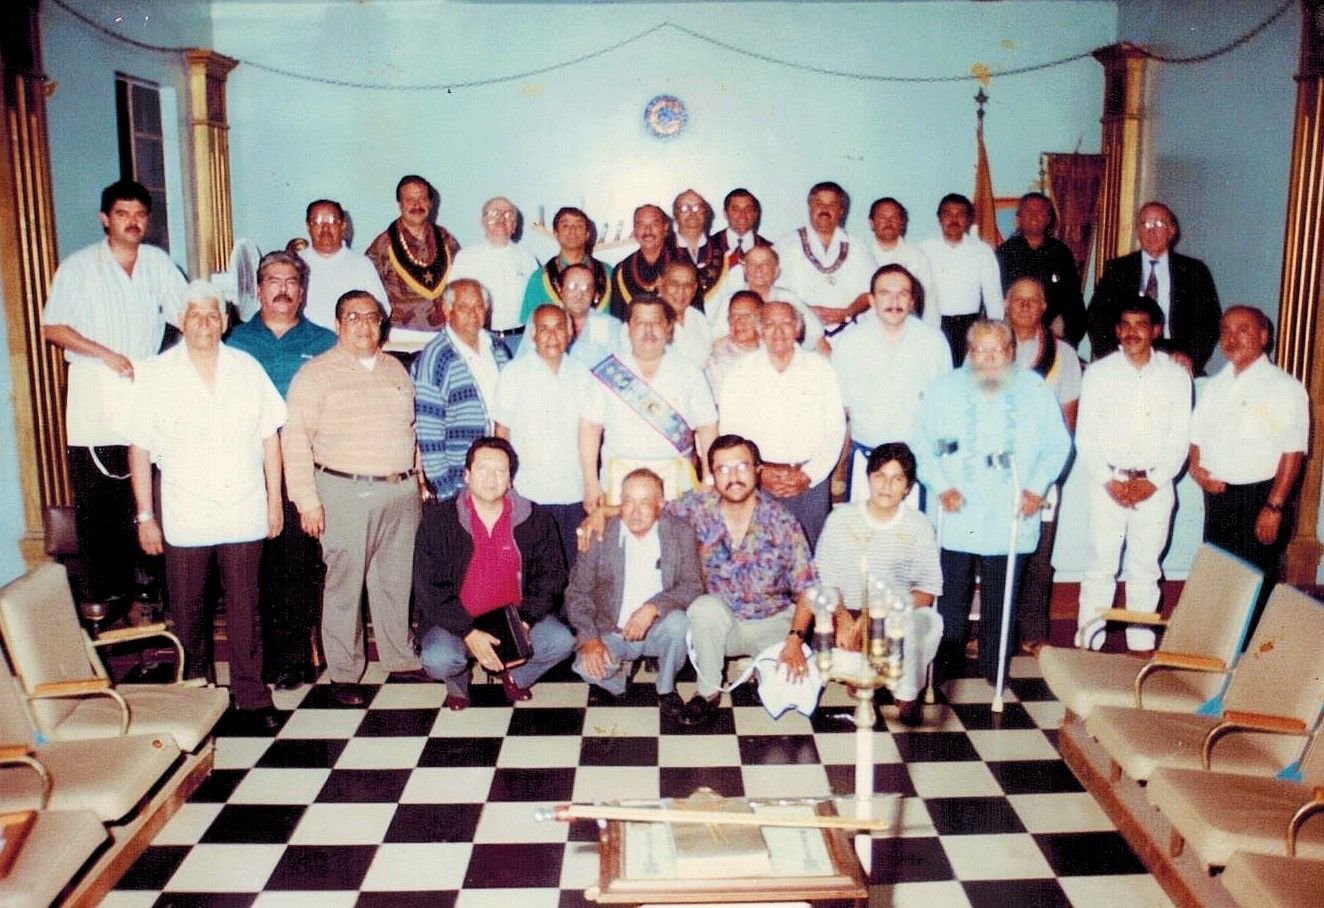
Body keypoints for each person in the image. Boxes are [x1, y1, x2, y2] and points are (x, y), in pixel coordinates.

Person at [121, 281, 285, 730]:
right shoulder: (157, 374)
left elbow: (270, 439)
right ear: (181, 321)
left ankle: (252, 696)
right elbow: (139, 449)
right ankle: (196, 696)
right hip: (185, 511)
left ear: (225, 321)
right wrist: (145, 516)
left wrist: (274, 503)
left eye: (212, 315)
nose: (204, 323)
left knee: (246, 609)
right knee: (188, 611)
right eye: (195, 314)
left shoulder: (247, 368)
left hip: (244, 506)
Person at [580, 434, 820, 729]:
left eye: (742, 467)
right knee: (703, 607)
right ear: (712, 475)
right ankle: (708, 693)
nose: (733, 477)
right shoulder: (697, 508)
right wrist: (604, 512)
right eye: (723, 469)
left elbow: (808, 588)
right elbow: (648, 506)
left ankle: (759, 667)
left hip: (772, 625)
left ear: (758, 470)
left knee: (794, 696)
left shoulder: (783, 522)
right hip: (719, 627)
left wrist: (795, 640)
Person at [41, 179, 185, 606]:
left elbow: (185, 313)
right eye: (123, 214)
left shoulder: (158, 263)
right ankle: (107, 609)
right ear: (105, 219)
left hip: (143, 390)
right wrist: (105, 354)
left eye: (140, 215)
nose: (133, 222)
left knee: (145, 502)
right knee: (100, 507)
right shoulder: (79, 267)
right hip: (95, 398)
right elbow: (53, 327)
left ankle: (151, 608)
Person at [283, 290, 428, 706]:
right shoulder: (315, 374)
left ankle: (399, 658)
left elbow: (411, 430)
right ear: (338, 324)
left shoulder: (396, 369)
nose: (364, 325)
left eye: (371, 317)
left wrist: (418, 478)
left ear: (382, 323)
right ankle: (345, 671)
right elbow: (295, 440)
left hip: (400, 490)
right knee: (344, 585)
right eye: (353, 317)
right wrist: (307, 501)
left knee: (395, 580)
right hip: (344, 491)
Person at [912, 320, 1070, 686]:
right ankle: (943, 671)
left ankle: (994, 671)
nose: (988, 359)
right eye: (980, 351)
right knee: (951, 596)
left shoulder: (1035, 390)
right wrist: (941, 486)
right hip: (956, 507)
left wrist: (1036, 489)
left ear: (1011, 352)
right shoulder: (944, 389)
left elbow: (1058, 445)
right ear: (969, 353)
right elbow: (921, 443)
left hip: (1009, 508)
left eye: (997, 350)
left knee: (1001, 597)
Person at [227, 250, 336, 690]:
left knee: (294, 566)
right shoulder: (234, 340)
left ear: (302, 291)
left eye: (291, 281)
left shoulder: (324, 341)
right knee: (250, 571)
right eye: (274, 280)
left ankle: (292, 659)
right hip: (243, 468)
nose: (283, 289)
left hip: (300, 469)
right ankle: (255, 660)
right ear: (258, 289)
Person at [413, 437, 573, 710]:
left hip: (515, 617)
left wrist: (524, 622)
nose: (491, 478)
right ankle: (458, 681)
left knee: (561, 641)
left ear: (510, 480)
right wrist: (468, 631)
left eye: (500, 471)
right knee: (439, 659)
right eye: (483, 469)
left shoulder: (536, 519)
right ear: (467, 475)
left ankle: (516, 677)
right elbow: (429, 589)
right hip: (458, 619)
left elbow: (551, 578)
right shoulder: (439, 521)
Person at [1074, 297, 1190, 652]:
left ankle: (1140, 645)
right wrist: (1109, 480)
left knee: (1145, 567)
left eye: (1141, 325)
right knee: (1100, 566)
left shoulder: (1175, 376)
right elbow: (1086, 436)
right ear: (1117, 330)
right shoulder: (1098, 373)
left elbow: (1179, 438)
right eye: (1125, 325)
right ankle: (1089, 642)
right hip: (1107, 483)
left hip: (1156, 485)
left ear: (1156, 330)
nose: (1132, 332)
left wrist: (1151, 482)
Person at [1189, 306, 1308, 638]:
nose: (1232, 337)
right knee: (1220, 579)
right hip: (1218, 498)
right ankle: (1219, 656)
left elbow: (1292, 452)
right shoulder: (1215, 385)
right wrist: (1197, 470)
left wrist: (1274, 507)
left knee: (1255, 585)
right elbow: (1195, 438)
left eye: (1243, 329)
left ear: (1263, 336)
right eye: (1226, 330)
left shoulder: (1284, 388)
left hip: (1260, 499)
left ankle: (1251, 658)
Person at [815, 443, 943, 727]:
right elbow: (824, 577)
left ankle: (906, 696)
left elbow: (927, 591)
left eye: (896, 479)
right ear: (869, 478)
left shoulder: (918, 525)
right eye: (880, 476)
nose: (886, 486)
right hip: (847, 615)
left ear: (907, 487)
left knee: (929, 621)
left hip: (893, 616)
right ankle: (862, 679)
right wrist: (841, 617)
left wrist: (879, 614)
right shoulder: (841, 519)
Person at [564, 468, 699, 712]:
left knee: (680, 624)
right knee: (587, 668)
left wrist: (652, 608)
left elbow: (693, 585)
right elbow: (577, 593)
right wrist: (590, 638)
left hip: (657, 629)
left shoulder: (680, 532)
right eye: (628, 501)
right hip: (611, 630)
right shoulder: (598, 534)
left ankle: (666, 687)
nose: (635, 512)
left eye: (645, 502)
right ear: (619, 504)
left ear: (660, 505)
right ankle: (620, 679)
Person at [717, 301, 845, 548]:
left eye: (786, 323)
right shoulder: (740, 372)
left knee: (808, 558)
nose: (778, 331)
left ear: (797, 328)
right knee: (760, 557)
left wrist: (809, 475)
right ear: (759, 330)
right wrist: (759, 473)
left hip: (809, 483)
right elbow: (730, 432)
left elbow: (835, 429)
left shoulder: (820, 369)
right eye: (769, 324)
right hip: (759, 483)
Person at [579, 296, 718, 508]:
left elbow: (707, 426)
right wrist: (590, 483)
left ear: (669, 329)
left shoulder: (690, 372)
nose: (648, 330)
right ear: (628, 329)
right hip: (620, 479)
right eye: (640, 323)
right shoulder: (606, 371)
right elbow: (590, 428)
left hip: (675, 480)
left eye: (656, 322)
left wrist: (709, 478)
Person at [1005, 277, 1082, 653]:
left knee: (1038, 554)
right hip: (997, 469)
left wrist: (1052, 472)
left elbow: (1069, 420)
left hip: (1042, 469)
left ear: (1044, 307)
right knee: (994, 553)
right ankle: (995, 631)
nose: (1024, 306)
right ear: (1006, 304)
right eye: (1018, 299)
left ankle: (1033, 631)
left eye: (1032, 300)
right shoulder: (988, 346)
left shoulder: (1063, 354)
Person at [832, 264, 952, 502]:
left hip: (916, 462)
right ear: (871, 300)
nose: (894, 301)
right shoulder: (849, 344)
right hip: (866, 460)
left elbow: (944, 408)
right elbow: (841, 412)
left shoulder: (933, 342)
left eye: (903, 294)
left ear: (912, 301)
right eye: (885, 293)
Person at [494, 304, 593, 571]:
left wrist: (591, 485)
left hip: (573, 492)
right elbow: (501, 433)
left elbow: (591, 433)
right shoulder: (514, 373)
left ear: (570, 332)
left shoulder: (582, 373)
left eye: (558, 327)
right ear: (533, 335)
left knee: (572, 569)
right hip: (529, 492)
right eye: (544, 328)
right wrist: (505, 486)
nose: (552, 335)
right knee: (534, 572)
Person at [1087, 201, 1221, 375]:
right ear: (1138, 231)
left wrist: (1191, 358)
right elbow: (1096, 318)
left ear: (1171, 231)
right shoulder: (1118, 269)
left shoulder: (1194, 271)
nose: (1151, 231)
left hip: (1176, 358)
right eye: (1146, 224)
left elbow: (1209, 322)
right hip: (1127, 354)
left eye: (1158, 224)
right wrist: (1114, 358)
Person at [413, 279, 513, 499]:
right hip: (459, 481)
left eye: (478, 307)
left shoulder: (498, 349)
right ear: (447, 310)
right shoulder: (436, 356)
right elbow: (428, 431)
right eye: (463, 307)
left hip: (499, 477)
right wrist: (444, 488)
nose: (473, 314)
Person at [776, 182, 875, 334]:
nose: (825, 209)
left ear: (841, 210)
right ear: (810, 207)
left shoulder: (858, 247)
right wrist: (804, 311)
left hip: (850, 331)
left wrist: (848, 312)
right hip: (801, 331)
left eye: (832, 204)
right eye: (819, 203)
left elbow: (871, 291)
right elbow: (775, 291)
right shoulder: (786, 245)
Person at [918, 193, 1004, 366]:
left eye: (960, 214)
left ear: (969, 219)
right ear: (939, 218)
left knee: (970, 375)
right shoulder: (923, 250)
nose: (954, 219)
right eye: (948, 214)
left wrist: (997, 331)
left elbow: (993, 295)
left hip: (971, 326)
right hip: (933, 324)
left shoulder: (982, 251)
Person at [365, 175, 461, 331]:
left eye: (422, 199)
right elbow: (368, 295)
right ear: (400, 205)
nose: (417, 205)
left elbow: (460, 285)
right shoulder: (383, 245)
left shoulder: (446, 240)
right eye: (410, 200)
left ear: (430, 203)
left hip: (445, 332)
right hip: (401, 335)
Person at [995, 192, 1087, 345]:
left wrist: (1063, 334)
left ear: (1048, 218)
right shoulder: (1005, 252)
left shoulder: (1060, 252)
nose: (1034, 215)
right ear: (1019, 217)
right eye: (1028, 211)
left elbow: (1072, 299)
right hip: (1012, 328)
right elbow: (997, 296)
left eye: (1040, 211)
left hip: (1052, 330)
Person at [450, 196, 539, 342]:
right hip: (480, 338)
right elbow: (452, 301)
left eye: (508, 215)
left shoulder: (528, 259)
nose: (501, 219)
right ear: (483, 221)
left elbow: (536, 305)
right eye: (494, 213)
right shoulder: (466, 258)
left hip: (519, 339)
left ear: (514, 225)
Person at [706, 244, 827, 352]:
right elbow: (715, 341)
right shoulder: (731, 301)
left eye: (765, 264)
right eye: (752, 264)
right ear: (745, 270)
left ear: (776, 271)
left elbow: (818, 338)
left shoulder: (787, 299)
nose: (758, 269)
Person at [300, 199, 390, 331]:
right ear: (308, 226)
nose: (325, 228)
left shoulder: (362, 265)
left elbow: (381, 310)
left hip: (350, 340)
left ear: (343, 226)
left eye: (332, 221)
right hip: (305, 339)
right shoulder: (295, 264)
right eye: (318, 221)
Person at [519, 262, 620, 368]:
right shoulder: (542, 319)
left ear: (595, 294)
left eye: (587, 288)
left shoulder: (605, 324)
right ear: (560, 289)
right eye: (573, 287)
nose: (579, 295)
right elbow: (524, 363)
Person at [520, 206, 612, 320]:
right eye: (565, 226)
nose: (572, 230)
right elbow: (529, 325)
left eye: (579, 225)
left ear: (587, 234)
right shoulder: (539, 279)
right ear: (556, 233)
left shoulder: (608, 274)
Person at [865, 197, 936, 324]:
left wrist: (928, 330)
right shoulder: (861, 254)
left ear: (902, 222)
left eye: (894, 217)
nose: (888, 222)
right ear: (871, 223)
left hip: (907, 327)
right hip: (869, 327)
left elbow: (929, 301)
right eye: (882, 217)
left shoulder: (916, 256)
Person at [606, 204, 674, 320]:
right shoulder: (622, 271)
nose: (648, 230)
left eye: (654, 224)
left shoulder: (682, 263)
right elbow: (617, 319)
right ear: (635, 231)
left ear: (665, 227)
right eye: (641, 225)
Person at [671, 189, 726, 309]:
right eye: (684, 209)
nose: (692, 213)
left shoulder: (724, 249)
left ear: (706, 214)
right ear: (675, 216)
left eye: (697, 208)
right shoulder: (662, 250)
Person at [705, 290, 763, 396]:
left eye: (746, 316)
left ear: (761, 319)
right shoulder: (717, 359)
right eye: (734, 316)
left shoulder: (771, 348)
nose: (739, 322)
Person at [658, 261, 713, 368]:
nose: (681, 291)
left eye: (687, 285)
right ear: (660, 284)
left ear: (694, 289)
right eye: (674, 284)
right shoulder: (646, 317)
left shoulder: (697, 318)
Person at [708, 188, 772, 271]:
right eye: (736, 209)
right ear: (725, 213)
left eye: (748, 209)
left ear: (755, 214)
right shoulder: (708, 246)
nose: (742, 215)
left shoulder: (770, 249)